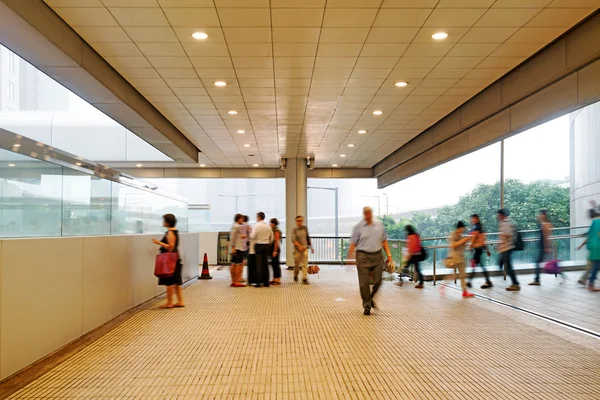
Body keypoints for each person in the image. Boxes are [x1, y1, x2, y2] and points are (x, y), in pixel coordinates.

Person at [348, 207, 392, 316]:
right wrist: (350, 258)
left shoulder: (379, 225)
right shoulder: (358, 227)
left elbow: (384, 240)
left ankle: (370, 297)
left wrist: (389, 254)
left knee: (378, 280)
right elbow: (353, 243)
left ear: (371, 214)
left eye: (369, 213)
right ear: (364, 214)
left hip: (377, 255)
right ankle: (367, 306)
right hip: (362, 256)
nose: (368, 215)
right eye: (366, 214)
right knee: (364, 283)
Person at [153, 214, 184, 308]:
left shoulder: (170, 232)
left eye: (164, 220)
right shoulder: (175, 232)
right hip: (175, 258)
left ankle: (169, 302)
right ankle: (180, 301)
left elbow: (171, 247)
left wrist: (159, 243)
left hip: (170, 260)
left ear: (167, 222)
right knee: (176, 281)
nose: (163, 222)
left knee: (169, 281)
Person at [448, 221, 475, 298]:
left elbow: (463, 245)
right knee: (452, 275)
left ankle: (464, 291)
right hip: (455, 258)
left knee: (462, 275)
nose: (463, 229)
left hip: (461, 258)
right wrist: (464, 240)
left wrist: (469, 240)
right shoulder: (453, 234)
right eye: (463, 228)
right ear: (459, 228)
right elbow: (453, 245)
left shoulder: (461, 236)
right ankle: (443, 286)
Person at [497, 209, 520, 291]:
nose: (498, 216)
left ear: (502, 215)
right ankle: (515, 283)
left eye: (499, 215)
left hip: (507, 247)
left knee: (508, 267)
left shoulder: (506, 223)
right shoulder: (506, 222)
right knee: (506, 264)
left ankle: (515, 284)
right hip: (505, 247)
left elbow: (508, 234)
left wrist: (503, 237)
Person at [468, 214, 492, 289]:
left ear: (476, 219)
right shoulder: (480, 226)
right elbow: (483, 239)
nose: (472, 220)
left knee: (476, 264)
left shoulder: (476, 227)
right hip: (479, 248)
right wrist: (487, 249)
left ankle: (470, 281)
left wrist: (470, 246)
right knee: (478, 264)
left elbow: (475, 237)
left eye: (473, 219)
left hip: (478, 248)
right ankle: (470, 281)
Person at [530, 209, 552, 286]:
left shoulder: (546, 224)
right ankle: (537, 279)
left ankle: (537, 280)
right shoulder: (544, 224)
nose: (539, 216)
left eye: (541, 214)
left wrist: (547, 247)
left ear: (544, 215)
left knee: (537, 263)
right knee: (540, 262)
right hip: (541, 246)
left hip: (543, 247)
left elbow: (546, 237)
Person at [251, 212, 273, 287]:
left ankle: (258, 282)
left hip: (259, 246)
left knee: (258, 264)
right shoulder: (268, 226)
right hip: (266, 246)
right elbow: (272, 237)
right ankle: (266, 282)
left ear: (259, 217)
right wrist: (268, 243)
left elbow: (252, 236)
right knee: (266, 264)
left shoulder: (257, 225)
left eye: (257, 217)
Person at [291, 215, 313, 285]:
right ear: (296, 221)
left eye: (301, 220)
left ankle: (304, 278)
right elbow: (294, 240)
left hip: (305, 248)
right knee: (297, 265)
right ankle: (295, 274)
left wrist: (311, 247)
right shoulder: (294, 230)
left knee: (305, 264)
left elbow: (307, 238)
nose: (300, 222)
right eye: (298, 221)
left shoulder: (305, 228)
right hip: (297, 250)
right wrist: (300, 246)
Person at [229, 214, 247, 287]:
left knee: (234, 263)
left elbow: (235, 236)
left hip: (236, 247)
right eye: (241, 219)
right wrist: (233, 247)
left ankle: (233, 281)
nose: (242, 220)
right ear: (238, 219)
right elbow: (232, 237)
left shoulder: (235, 226)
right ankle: (236, 281)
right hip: (238, 248)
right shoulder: (236, 226)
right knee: (238, 264)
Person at [270, 218, 282, 285]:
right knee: (274, 264)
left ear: (274, 224)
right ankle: (274, 278)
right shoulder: (273, 230)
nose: (270, 224)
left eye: (271, 223)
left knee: (276, 264)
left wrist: (275, 251)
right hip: (273, 249)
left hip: (275, 249)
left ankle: (278, 279)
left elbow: (276, 242)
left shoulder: (276, 231)